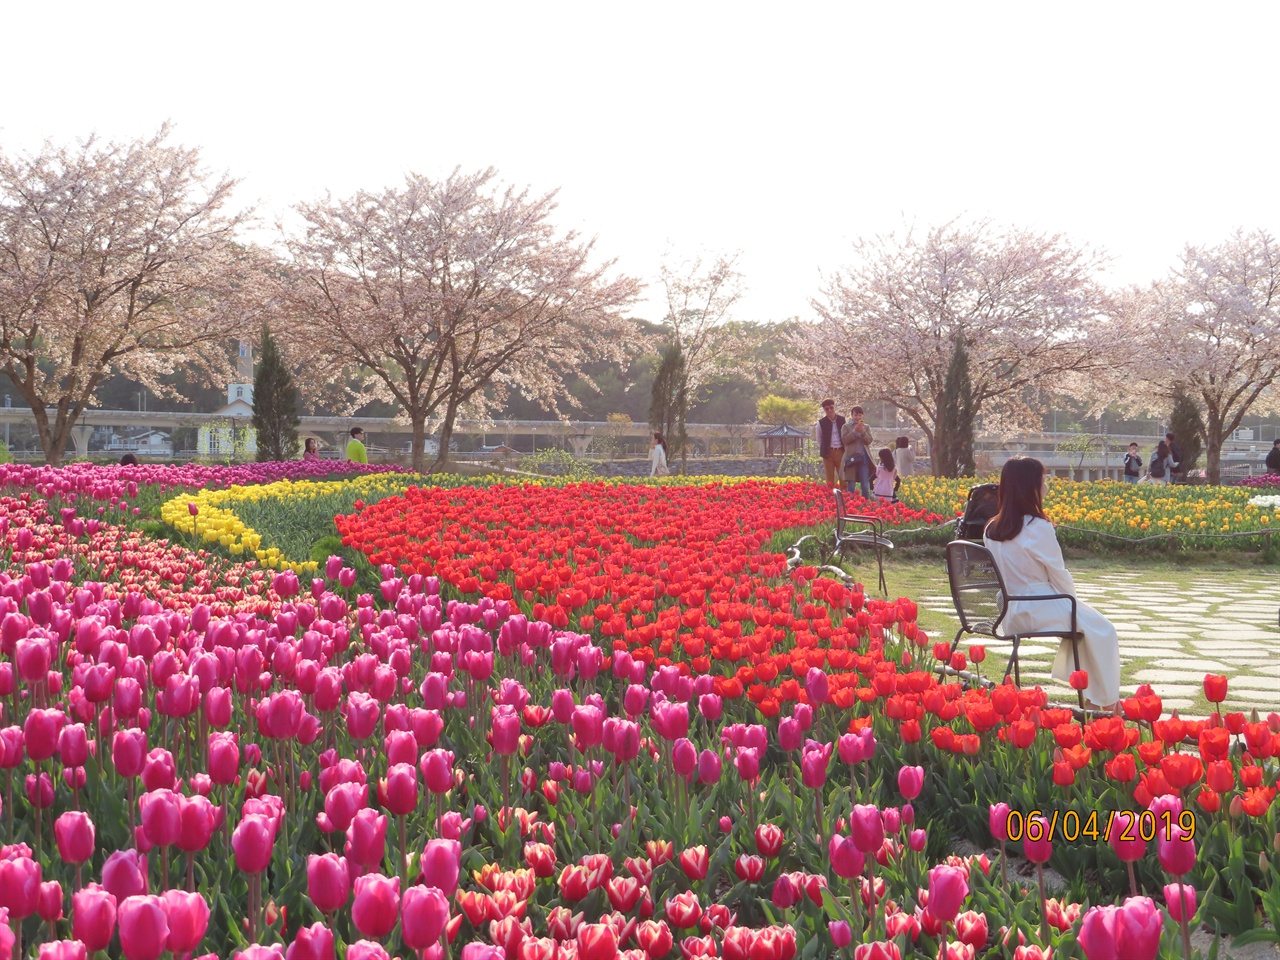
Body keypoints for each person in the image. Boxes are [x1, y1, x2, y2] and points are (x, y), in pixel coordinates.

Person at [984, 457, 1120, 711]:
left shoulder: (992, 528)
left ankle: (1095, 700)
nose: (1046, 486)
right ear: (1030, 487)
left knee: (1088, 630)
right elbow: (1058, 574)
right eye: (1042, 480)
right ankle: (1109, 703)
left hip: (1009, 611)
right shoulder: (1038, 527)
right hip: (1039, 605)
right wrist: (1073, 600)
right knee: (1104, 630)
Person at [841, 406, 875, 499]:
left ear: (862, 416)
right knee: (851, 485)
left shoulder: (866, 427)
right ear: (851, 415)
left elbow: (869, 441)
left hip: (863, 459)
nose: (858, 417)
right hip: (851, 459)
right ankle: (850, 504)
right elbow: (845, 440)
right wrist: (854, 431)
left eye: (860, 415)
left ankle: (866, 504)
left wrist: (863, 432)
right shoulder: (846, 426)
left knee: (865, 484)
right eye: (855, 415)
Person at [815, 399, 846, 490]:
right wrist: (825, 449)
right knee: (829, 478)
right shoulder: (821, 423)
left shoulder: (842, 420)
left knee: (843, 477)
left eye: (831, 407)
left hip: (841, 451)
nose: (829, 410)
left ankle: (845, 496)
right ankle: (830, 497)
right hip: (828, 453)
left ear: (834, 407)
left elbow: (846, 435)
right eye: (827, 409)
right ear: (824, 410)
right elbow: (819, 439)